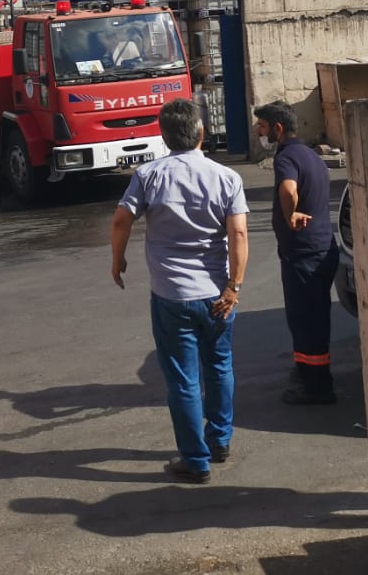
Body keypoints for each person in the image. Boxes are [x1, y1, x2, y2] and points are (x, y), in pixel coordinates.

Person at [111, 98, 250, 484]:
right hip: (218, 295)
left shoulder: (148, 175)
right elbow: (238, 233)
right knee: (219, 365)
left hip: (172, 296)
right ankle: (219, 440)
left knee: (183, 379)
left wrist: (117, 259)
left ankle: (195, 459)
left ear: (163, 135)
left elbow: (122, 218)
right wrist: (234, 286)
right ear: (202, 133)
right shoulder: (227, 178)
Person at [253, 100, 340, 406]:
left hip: (305, 254)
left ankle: (316, 386)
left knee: (306, 320)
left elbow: (288, 189)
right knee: (313, 317)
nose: (259, 132)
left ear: (278, 128)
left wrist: (291, 215)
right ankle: (308, 372)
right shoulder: (310, 155)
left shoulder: (286, 157)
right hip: (321, 249)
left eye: (262, 127)